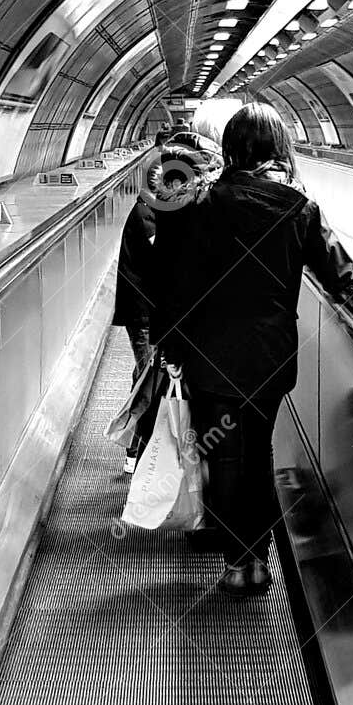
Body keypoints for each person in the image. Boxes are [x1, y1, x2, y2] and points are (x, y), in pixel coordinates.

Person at [151, 101, 353, 597]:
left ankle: (236, 561)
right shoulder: (298, 207)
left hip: (207, 354)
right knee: (260, 453)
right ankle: (259, 561)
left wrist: (169, 345)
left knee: (222, 455)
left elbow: (167, 280)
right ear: (278, 148)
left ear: (230, 149)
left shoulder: (197, 203)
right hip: (268, 358)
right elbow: (343, 278)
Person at [112, 138, 222, 472]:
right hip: (144, 311)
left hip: (151, 311)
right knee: (151, 378)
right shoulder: (151, 210)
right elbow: (167, 262)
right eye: (190, 182)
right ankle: (137, 449)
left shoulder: (160, 206)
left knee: (150, 375)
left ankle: (142, 447)